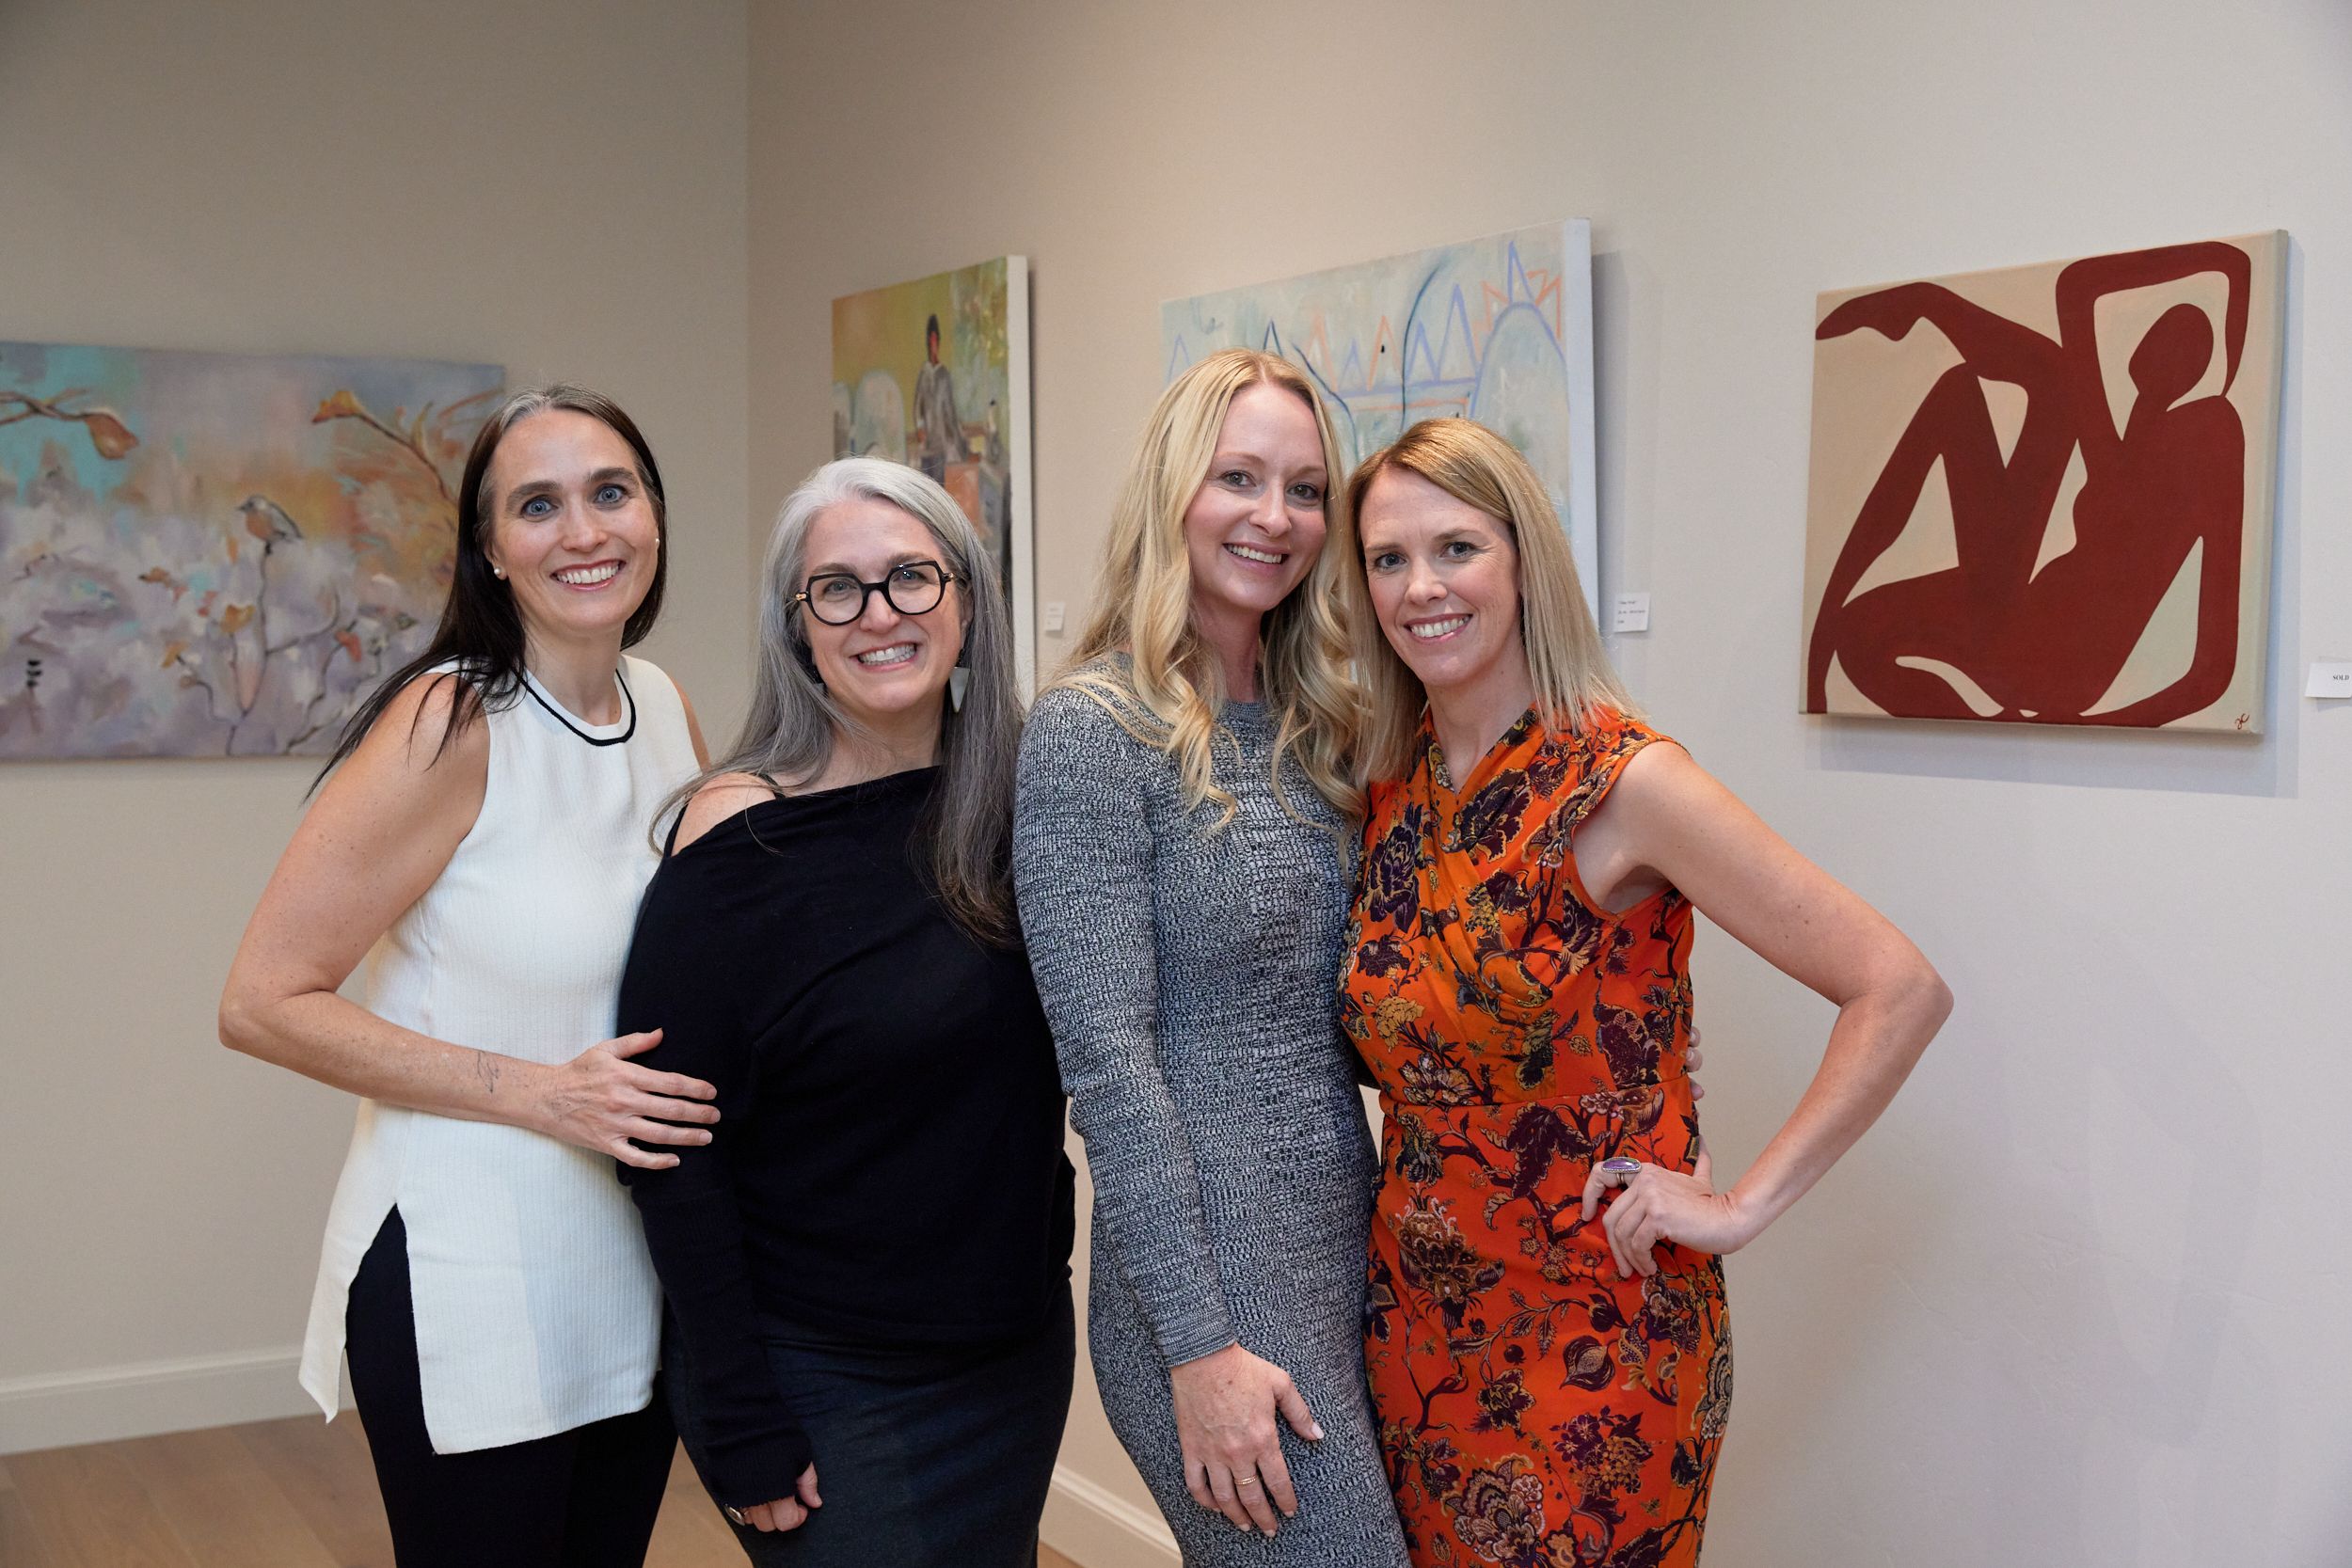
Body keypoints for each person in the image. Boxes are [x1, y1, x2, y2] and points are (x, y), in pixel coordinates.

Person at [1341, 418, 1951, 1567]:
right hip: (1417, 1332)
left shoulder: (1624, 781)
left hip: (1598, 1343)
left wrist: (1738, 1206)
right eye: (1388, 557)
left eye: (1456, 547)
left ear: (1524, 559)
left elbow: (1897, 987)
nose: (1421, 586)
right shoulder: (1387, 782)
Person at [217, 386, 713, 1567]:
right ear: (489, 549)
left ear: (653, 513)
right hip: (472, 1272)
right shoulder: (447, 720)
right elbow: (261, 1000)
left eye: (610, 492)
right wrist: (545, 1092)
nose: (583, 531)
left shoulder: (661, 704)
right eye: (537, 505)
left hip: (631, 1261)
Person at [615, 457, 1074, 1566]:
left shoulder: (1032, 807)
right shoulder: (735, 842)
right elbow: (671, 1150)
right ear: (798, 625)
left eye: (911, 576)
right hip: (825, 1372)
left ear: (966, 599)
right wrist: (738, 1408)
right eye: (838, 588)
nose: (879, 613)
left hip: (1013, 1350)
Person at [1013, 348, 1411, 1565]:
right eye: (1238, 476)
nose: (1274, 516)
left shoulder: (1320, 721)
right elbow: (1108, 1068)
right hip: (1208, 1294)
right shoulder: (1094, 729)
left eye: (1305, 488)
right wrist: (1197, 1346)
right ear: (1173, 489)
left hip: (1343, 1247)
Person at [914, 312, 961, 484]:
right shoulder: (924, 374)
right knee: (925, 487)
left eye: (935, 341)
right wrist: (920, 427)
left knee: (939, 488)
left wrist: (956, 440)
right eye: (930, 341)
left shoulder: (944, 375)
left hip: (941, 444)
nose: (933, 345)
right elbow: (917, 406)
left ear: (938, 343)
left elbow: (950, 412)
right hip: (927, 445)